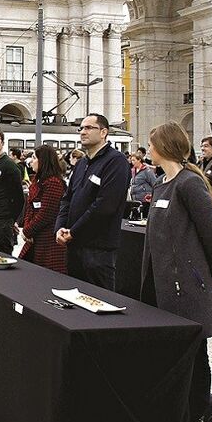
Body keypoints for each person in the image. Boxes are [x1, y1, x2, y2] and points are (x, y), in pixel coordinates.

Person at [140, 121, 212, 422]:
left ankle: (195, 418)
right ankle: (191, 408)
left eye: (152, 144)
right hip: (161, 283)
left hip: (187, 285)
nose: (148, 149)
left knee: (196, 353)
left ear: (165, 146)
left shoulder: (189, 183)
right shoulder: (161, 183)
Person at [55, 114, 130, 290]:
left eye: (89, 128)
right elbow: (67, 199)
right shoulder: (81, 163)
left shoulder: (116, 161)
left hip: (98, 250)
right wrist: (60, 227)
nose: (83, 132)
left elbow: (105, 206)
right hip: (74, 246)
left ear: (103, 132)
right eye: (81, 128)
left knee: (99, 299)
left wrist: (74, 231)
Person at [20, 145, 67, 273]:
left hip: (48, 241)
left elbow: (46, 213)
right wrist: (27, 229)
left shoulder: (53, 183)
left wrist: (27, 231)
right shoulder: (36, 180)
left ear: (43, 161)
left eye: (34, 158)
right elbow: (30, 208)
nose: (31, 161)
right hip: (34, 238)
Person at [129, 150, 157, 218]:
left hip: (145, 200)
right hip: (135, 200)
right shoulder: (132, 171)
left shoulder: (147, 171)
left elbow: (155, 183)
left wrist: (152, 196)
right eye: (131, 160)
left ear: (139, 160)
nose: (132, 162)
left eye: (134, 160)